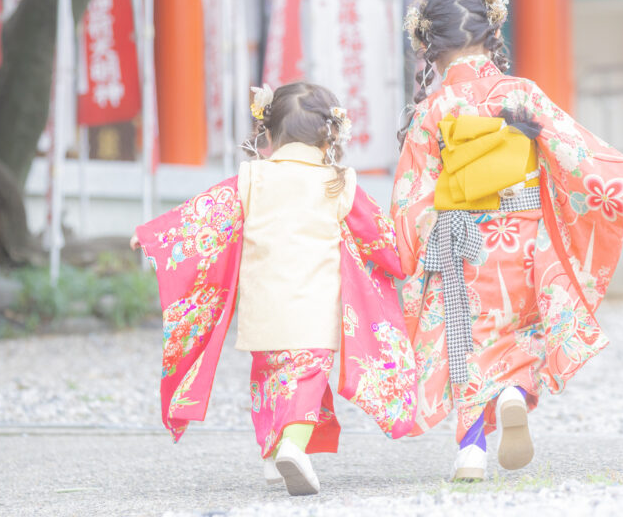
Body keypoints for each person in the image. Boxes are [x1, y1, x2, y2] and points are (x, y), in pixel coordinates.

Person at [391, 0, 623, 482]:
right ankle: (512, 392)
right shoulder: (520, 92)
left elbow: (412, 196)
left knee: (465, 341)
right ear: (492, 31)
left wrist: (408, 247)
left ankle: (470, 453)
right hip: (523, 237)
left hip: (459, 241)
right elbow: (572, 150)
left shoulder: (431, 110)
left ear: (429, 45)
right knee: (524, 330)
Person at [131, 82, 416, 497]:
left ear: (269, 133)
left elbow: (201, 218)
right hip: (313, 308)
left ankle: (271, 453)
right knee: (306, 378)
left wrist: (154, 236)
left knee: (270, 380)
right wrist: (408, 254)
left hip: (263, 310)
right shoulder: (338, 183)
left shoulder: (253, 177)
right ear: (330, 136)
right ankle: (293, 450)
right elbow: (380, 238)